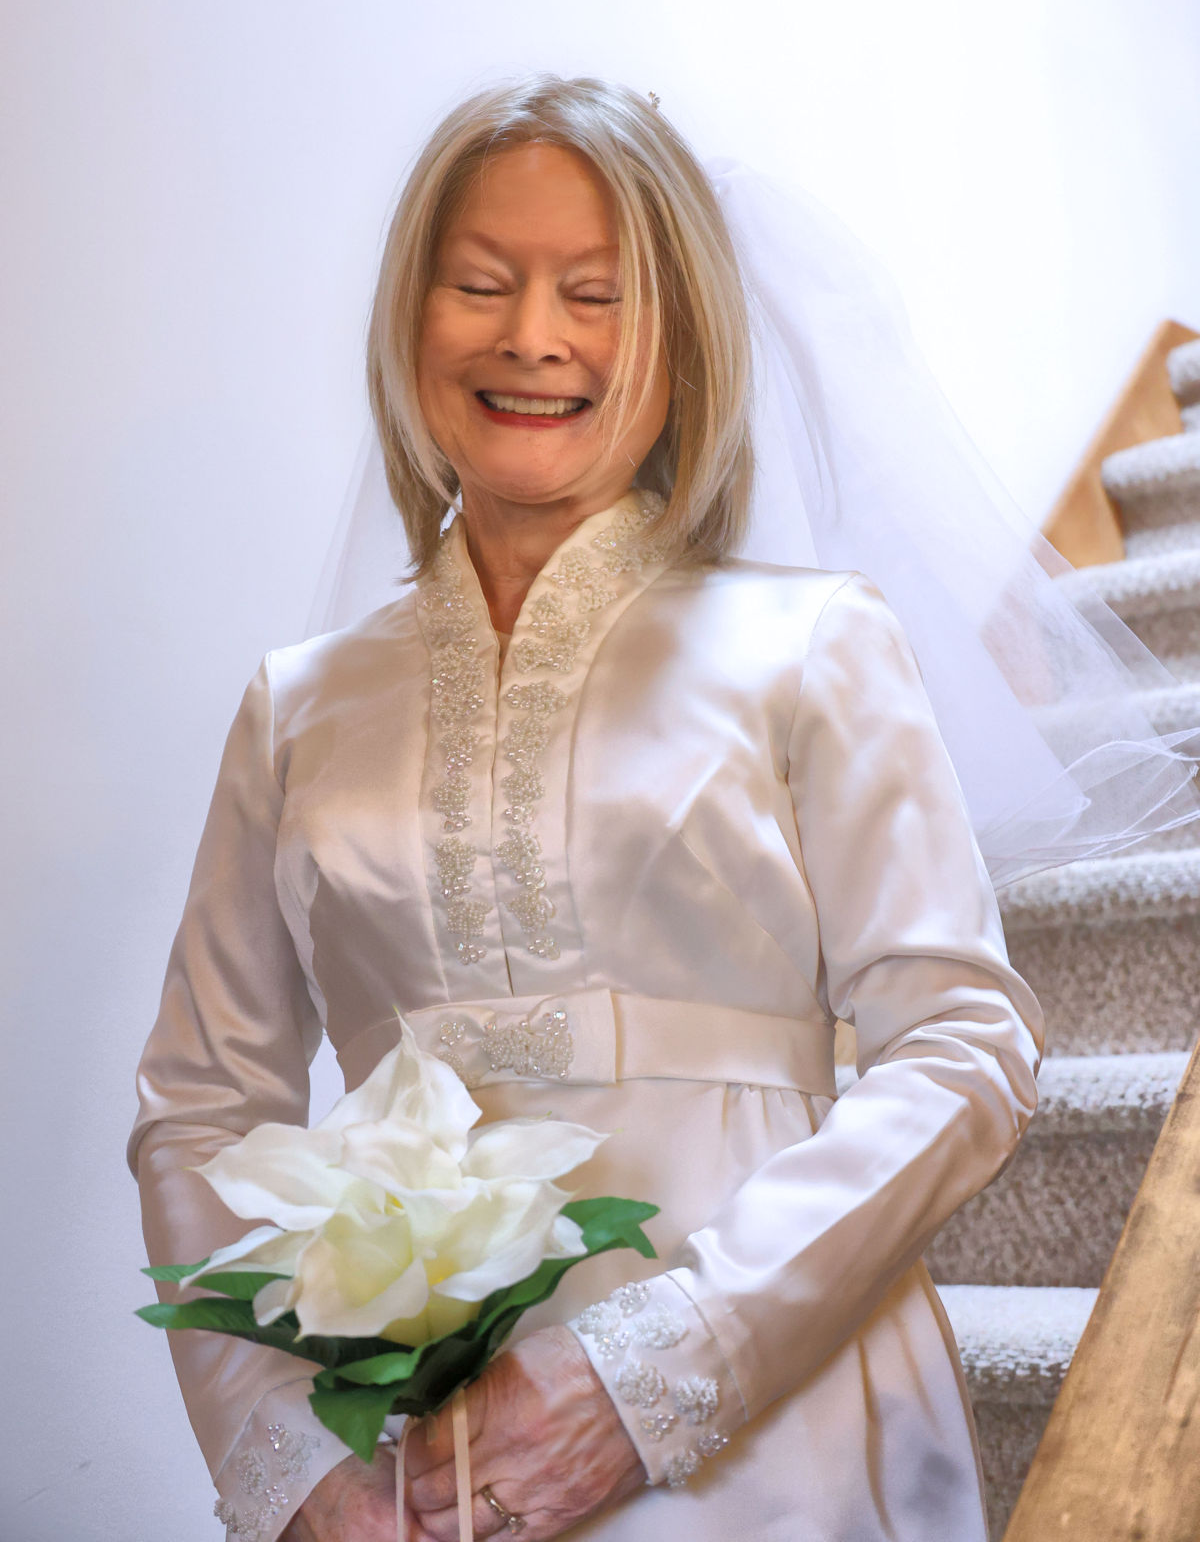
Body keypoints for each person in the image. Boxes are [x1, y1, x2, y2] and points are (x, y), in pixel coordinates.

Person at [130, 75, 1047, 1542]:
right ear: (408, 321)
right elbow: (199, 1109)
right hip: (406, 1463)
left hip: (777, 1415)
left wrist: (658, 1368)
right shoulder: (296, 707)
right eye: (479, 282)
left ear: (683, 341)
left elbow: (963, 1042)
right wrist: (288, 1463)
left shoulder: (815, 642)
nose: (532, 336)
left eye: (597, 293)